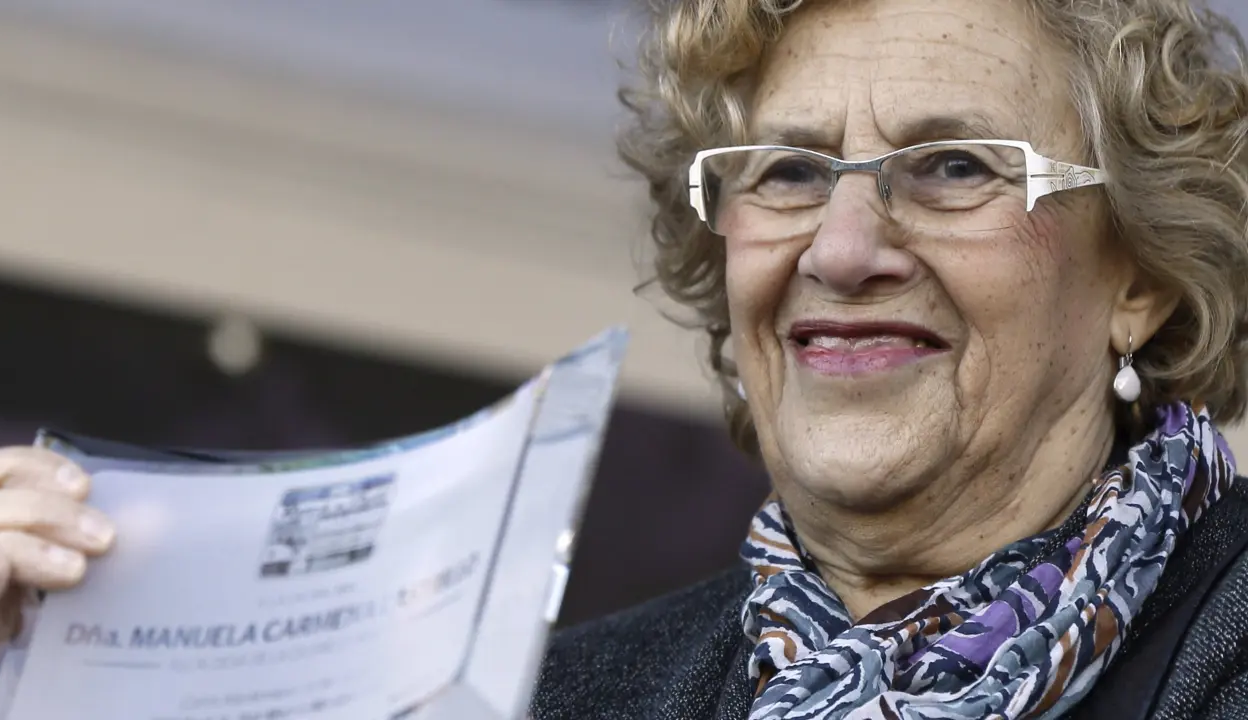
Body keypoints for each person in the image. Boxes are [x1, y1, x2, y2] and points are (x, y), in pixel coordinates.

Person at [531, 0, 1248, 718]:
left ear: (1140, 278)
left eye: (955, 167)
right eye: (789, 173)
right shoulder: (546, 694)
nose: (840, 252)